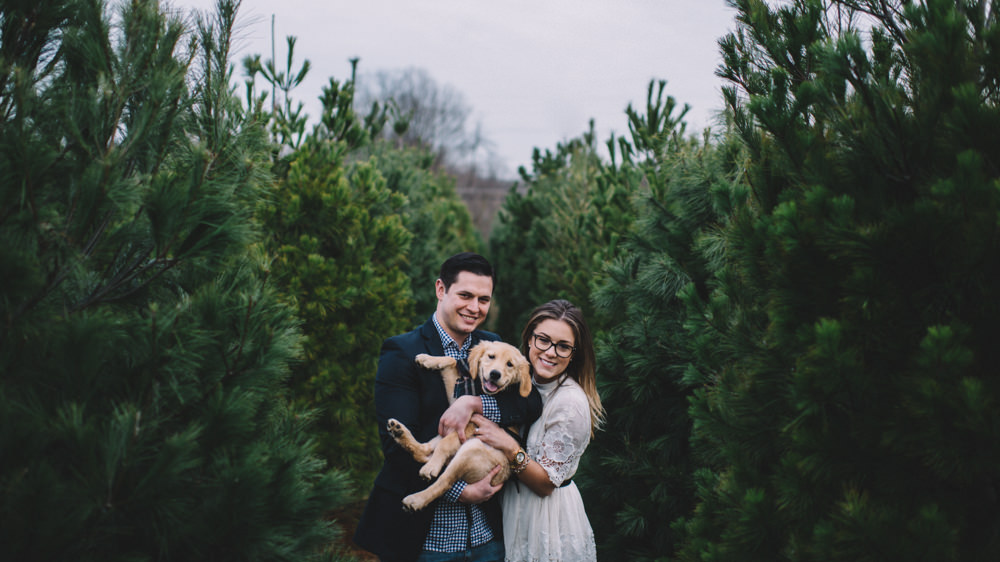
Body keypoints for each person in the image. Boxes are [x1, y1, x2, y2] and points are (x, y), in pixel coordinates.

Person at [353, 252, 543, 562]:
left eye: (484, 299)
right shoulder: (402, 351)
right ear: (441, 290)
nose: (474, 307)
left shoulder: (491, 345)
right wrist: (459, 490)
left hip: (487, 535)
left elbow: (530, 401)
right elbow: (394, 446)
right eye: (465, 295)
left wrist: (475, 403)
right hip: (427, 539)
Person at [472, 299, 604, 562]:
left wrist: (508, 447)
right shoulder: (518, 379)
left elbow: (545, 484)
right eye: (543, 340)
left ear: (574, 353)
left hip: (546, 517)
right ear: (530, 339)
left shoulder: (570, 403)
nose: (551, 352)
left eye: (563, 346)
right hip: (511, 510)